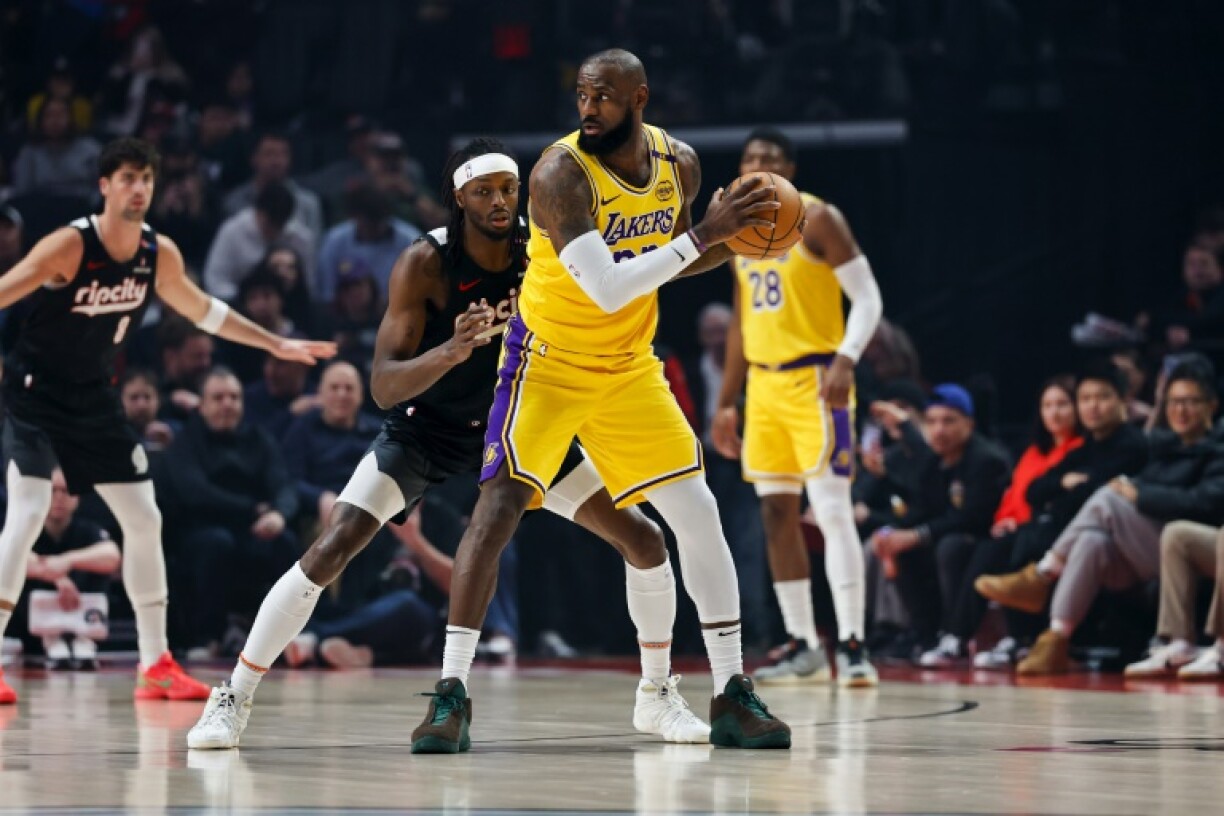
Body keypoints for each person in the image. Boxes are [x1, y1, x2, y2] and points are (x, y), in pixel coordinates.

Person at [187, 136, 709, 750]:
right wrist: (452, 350)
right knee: (333, 546)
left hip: (517, 426)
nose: (499, 201)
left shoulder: (543, 250)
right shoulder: (425, 262)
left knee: (644, 539)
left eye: (509, 190)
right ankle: (233, 696)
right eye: (484, 191)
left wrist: (713, 236)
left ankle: (657, 694)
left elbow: (623, 276)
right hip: (426, 429)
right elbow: (382, 385)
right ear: (457, 197)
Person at [404, 50, 791, 755]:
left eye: (604, 96)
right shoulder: (557, 176)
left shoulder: (682, 168)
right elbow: (609, 287)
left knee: (697, 515)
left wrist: (733, 242)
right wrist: (710, 234)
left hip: (627, 368)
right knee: (495, 515)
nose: (588, 107)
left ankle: (730, 692)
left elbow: (674, 257)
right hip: (545, 364)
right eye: (582, 94)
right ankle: (450, 696)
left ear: (639, 97)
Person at [0, 137, 335, 706]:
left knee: (143, 515)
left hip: (94, 400)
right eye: (127, 178)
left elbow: (208, 313)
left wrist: (274, 342)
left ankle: (155, 664)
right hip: (36, 393)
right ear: (104, 186)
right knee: (30, 508)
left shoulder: (159, 255)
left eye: (147, 179)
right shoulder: (71, 245)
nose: (139, 189)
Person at [710, 127, 883, 686]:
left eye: (771, 158)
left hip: (817, 380)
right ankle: (804, 643)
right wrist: (725, 402)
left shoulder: (819, 218)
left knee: (831, 511)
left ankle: (854, 645)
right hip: (763, 388)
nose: (759, 164)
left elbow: (869, 299)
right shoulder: (737, 231)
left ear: (790, 168)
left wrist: (847, 359)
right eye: (750, 158)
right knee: (775, 513)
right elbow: (740, 324)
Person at [980, 360, 1224, 674]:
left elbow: (1204, 503)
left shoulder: (1214, 448)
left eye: (1190, 402)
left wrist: (1140, 494)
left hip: (1194, 545)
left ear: (1211, 405)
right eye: (1174, 402)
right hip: (1151, 547)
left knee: (1109, 498)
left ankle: (1042, 574)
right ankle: (1057, 637)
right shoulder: (1161, 445)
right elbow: (1034, 490)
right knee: (1091, 540)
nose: (1181, 410)